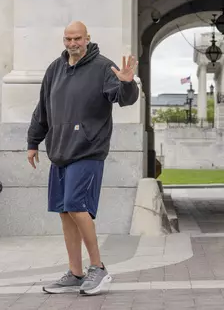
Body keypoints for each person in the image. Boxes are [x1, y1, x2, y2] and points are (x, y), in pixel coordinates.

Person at [26, 21, 139, 295]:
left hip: (88, 150)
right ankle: (75, 272)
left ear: (87, 38)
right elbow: (43, 107)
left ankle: (98, 268)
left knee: (77, 207)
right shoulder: (55, 69)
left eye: (77, 38)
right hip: (60, 151)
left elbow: (124, 98)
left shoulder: (103, 67)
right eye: (67, 39)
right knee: (65, 212)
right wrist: (33, 142)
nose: (72, 43)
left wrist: (127, 83)